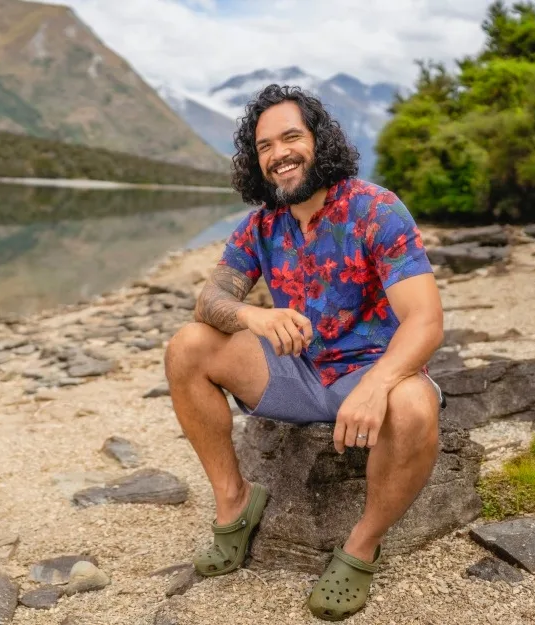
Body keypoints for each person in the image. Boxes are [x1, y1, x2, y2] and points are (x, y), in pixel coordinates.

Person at [163, 84, 445, 621]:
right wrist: (253, 315)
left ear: (320, 140)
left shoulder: (375, 209)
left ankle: (362, 545)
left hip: (372, 370)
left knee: (413, 407)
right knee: (189, 347)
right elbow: (211, 298)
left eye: (290, 137)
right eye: (264, 146)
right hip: (296, 371)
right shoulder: (261, 224)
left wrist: (377, 385)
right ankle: (235, 503)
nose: (278, 153)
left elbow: (426, 321)